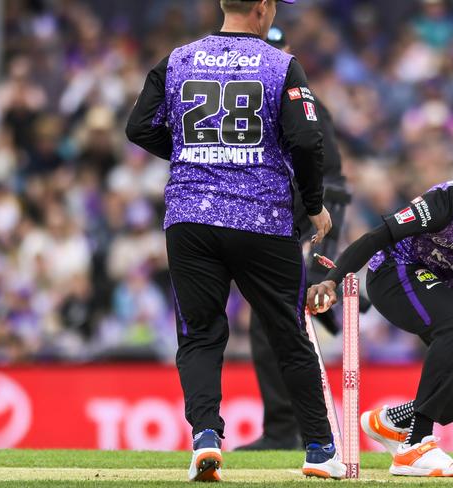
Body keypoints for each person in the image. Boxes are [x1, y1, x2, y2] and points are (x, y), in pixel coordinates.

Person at [126, 0, 346, 481]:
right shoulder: (281, 65)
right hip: (261, 219)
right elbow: (309, 142)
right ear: (264, 8)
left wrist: (191, 155)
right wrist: (313, 203)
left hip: (190, 217)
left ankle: (206, 437)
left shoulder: (178, 59)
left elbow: (137, 126)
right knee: (288, 334)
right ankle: (319, 448)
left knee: (201, 334)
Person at [308, 141, 453, 477]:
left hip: (446, 287)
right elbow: (376, 238)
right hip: (394, 274)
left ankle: (393, 422)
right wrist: (332, 280)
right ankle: (414, 446)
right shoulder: (441, 204)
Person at [236, 26, 350, 451]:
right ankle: (287, 428)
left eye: (276, 47)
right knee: (276, 314)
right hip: (288, 213)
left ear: (287, 51)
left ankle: (288, 429)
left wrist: (317, 236)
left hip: (314, 212)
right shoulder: (260, 94)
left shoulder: (298, 96)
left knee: (289, 307)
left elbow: (324, 172)